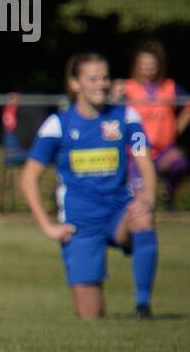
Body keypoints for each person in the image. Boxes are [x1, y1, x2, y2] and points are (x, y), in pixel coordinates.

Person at [21, 53, 158, 319]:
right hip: (80, 223)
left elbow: (143, 157)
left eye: (105, 77)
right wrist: (48, 226)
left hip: (119, 213)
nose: (101, 84)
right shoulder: (58, 125)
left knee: (142, 216)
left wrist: (148, 197)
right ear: (75, 84)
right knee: (90, 316)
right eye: (92, 78)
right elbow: (28, 179)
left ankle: (143, 305)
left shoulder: (127, 117)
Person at [112, 40, 189, 207]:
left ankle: (167, 194)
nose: (147, 69)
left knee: (179, 162)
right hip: (137, 147)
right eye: (143, 64)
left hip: (163, 149)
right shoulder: (127, 87)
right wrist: (114, 95)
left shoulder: (169, 86)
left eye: (151, 64)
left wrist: (176, 128)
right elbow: (111, 112)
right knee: (139, 195)